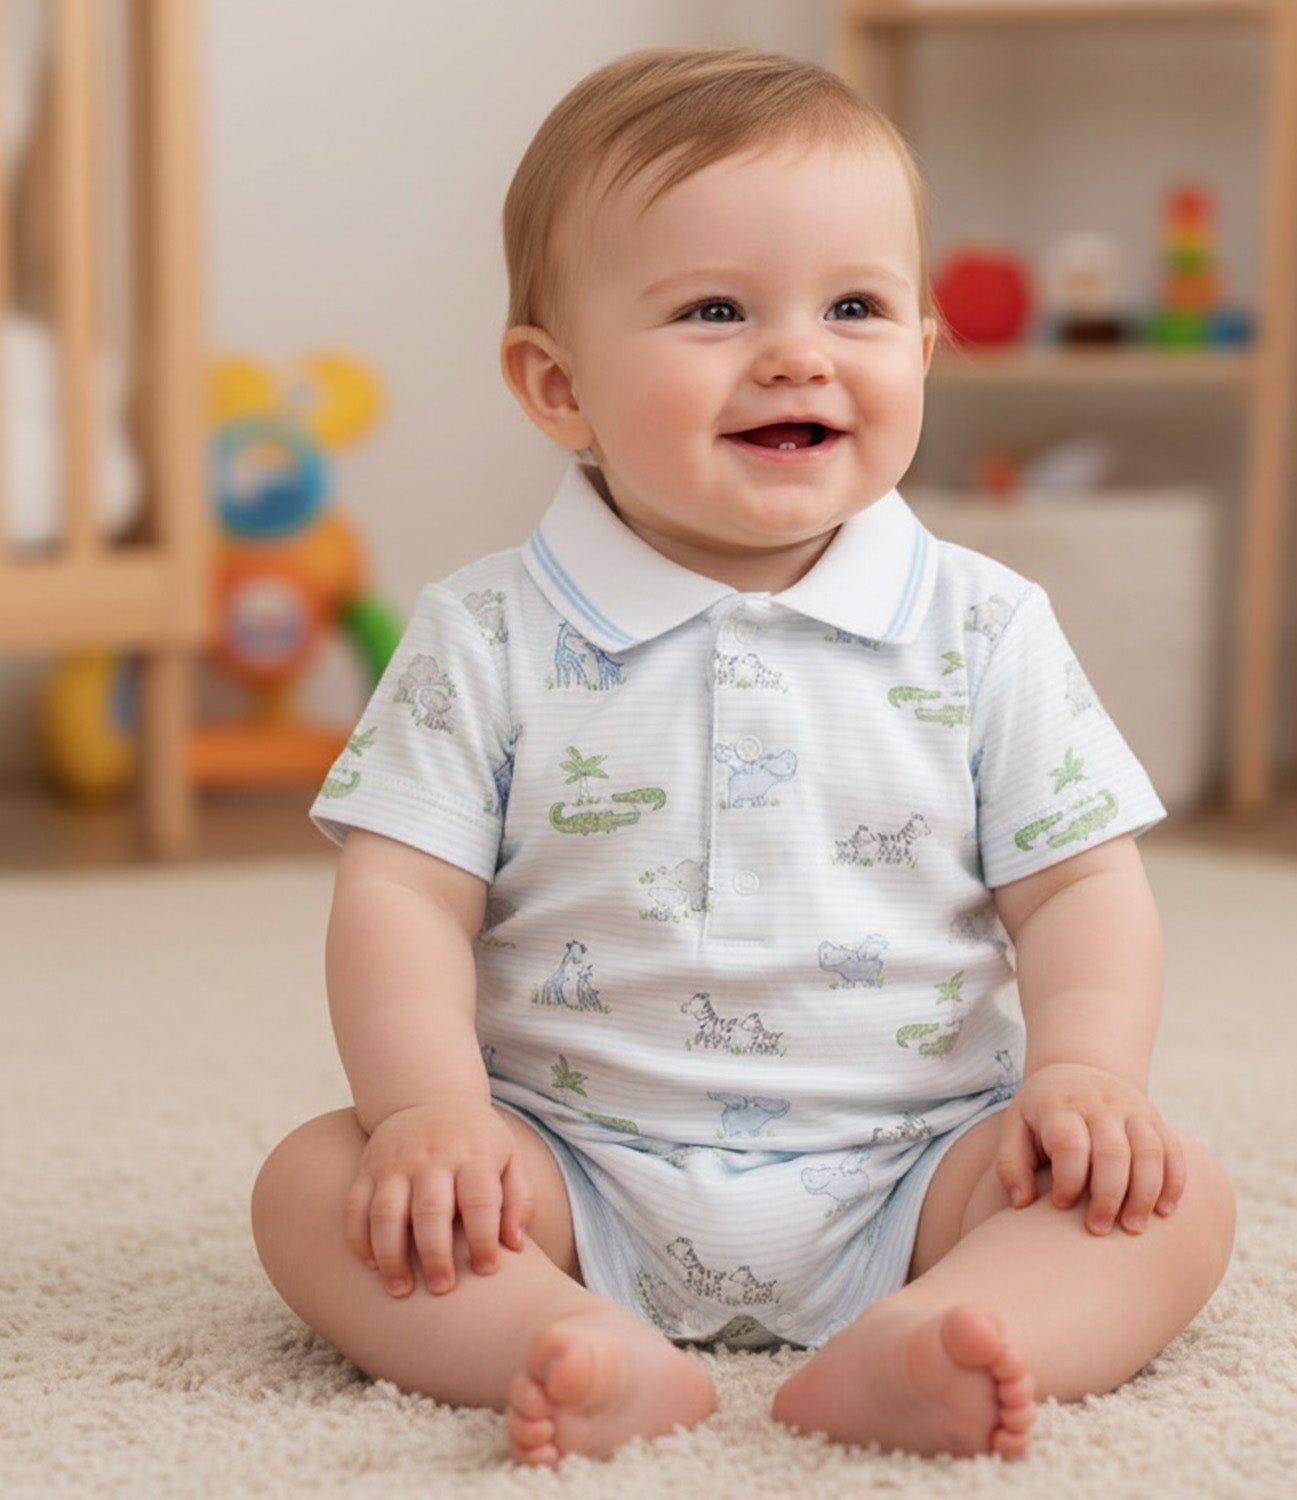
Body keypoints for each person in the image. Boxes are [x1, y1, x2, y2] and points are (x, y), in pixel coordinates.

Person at [251, 45, 1235, 1469]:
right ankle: (558, 1341)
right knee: (316, 1188)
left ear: (922, 349)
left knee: (1171, 1201)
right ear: (556, 384)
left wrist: (1087, 1076)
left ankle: (948, 1329)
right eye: (715, 308)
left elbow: (1082, 886)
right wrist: (431, 1116)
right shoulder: (485, 632)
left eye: (856, 306)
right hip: (567, 1171)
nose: (799, 353)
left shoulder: (983, 625)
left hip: (923, 1166)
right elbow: (402, 896)